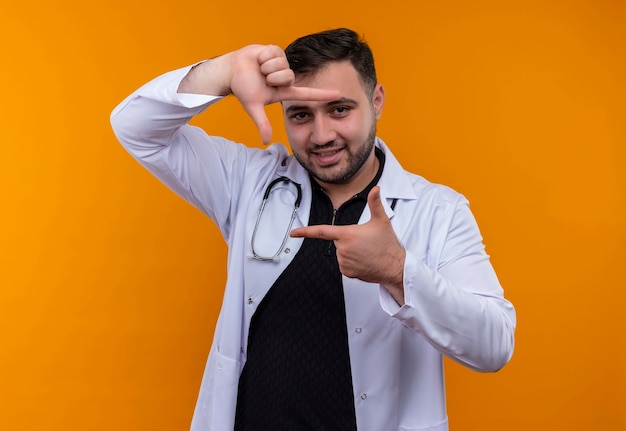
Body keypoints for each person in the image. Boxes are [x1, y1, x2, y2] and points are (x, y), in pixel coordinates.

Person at [111, 27, 516, 431]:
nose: (322, 136)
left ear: (376, 102)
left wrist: (399, 271)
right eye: (301, 115)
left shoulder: (438, 211)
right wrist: (225, 70)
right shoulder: (248, 182)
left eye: (340, 109)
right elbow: (135, 127)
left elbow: (493, 345)